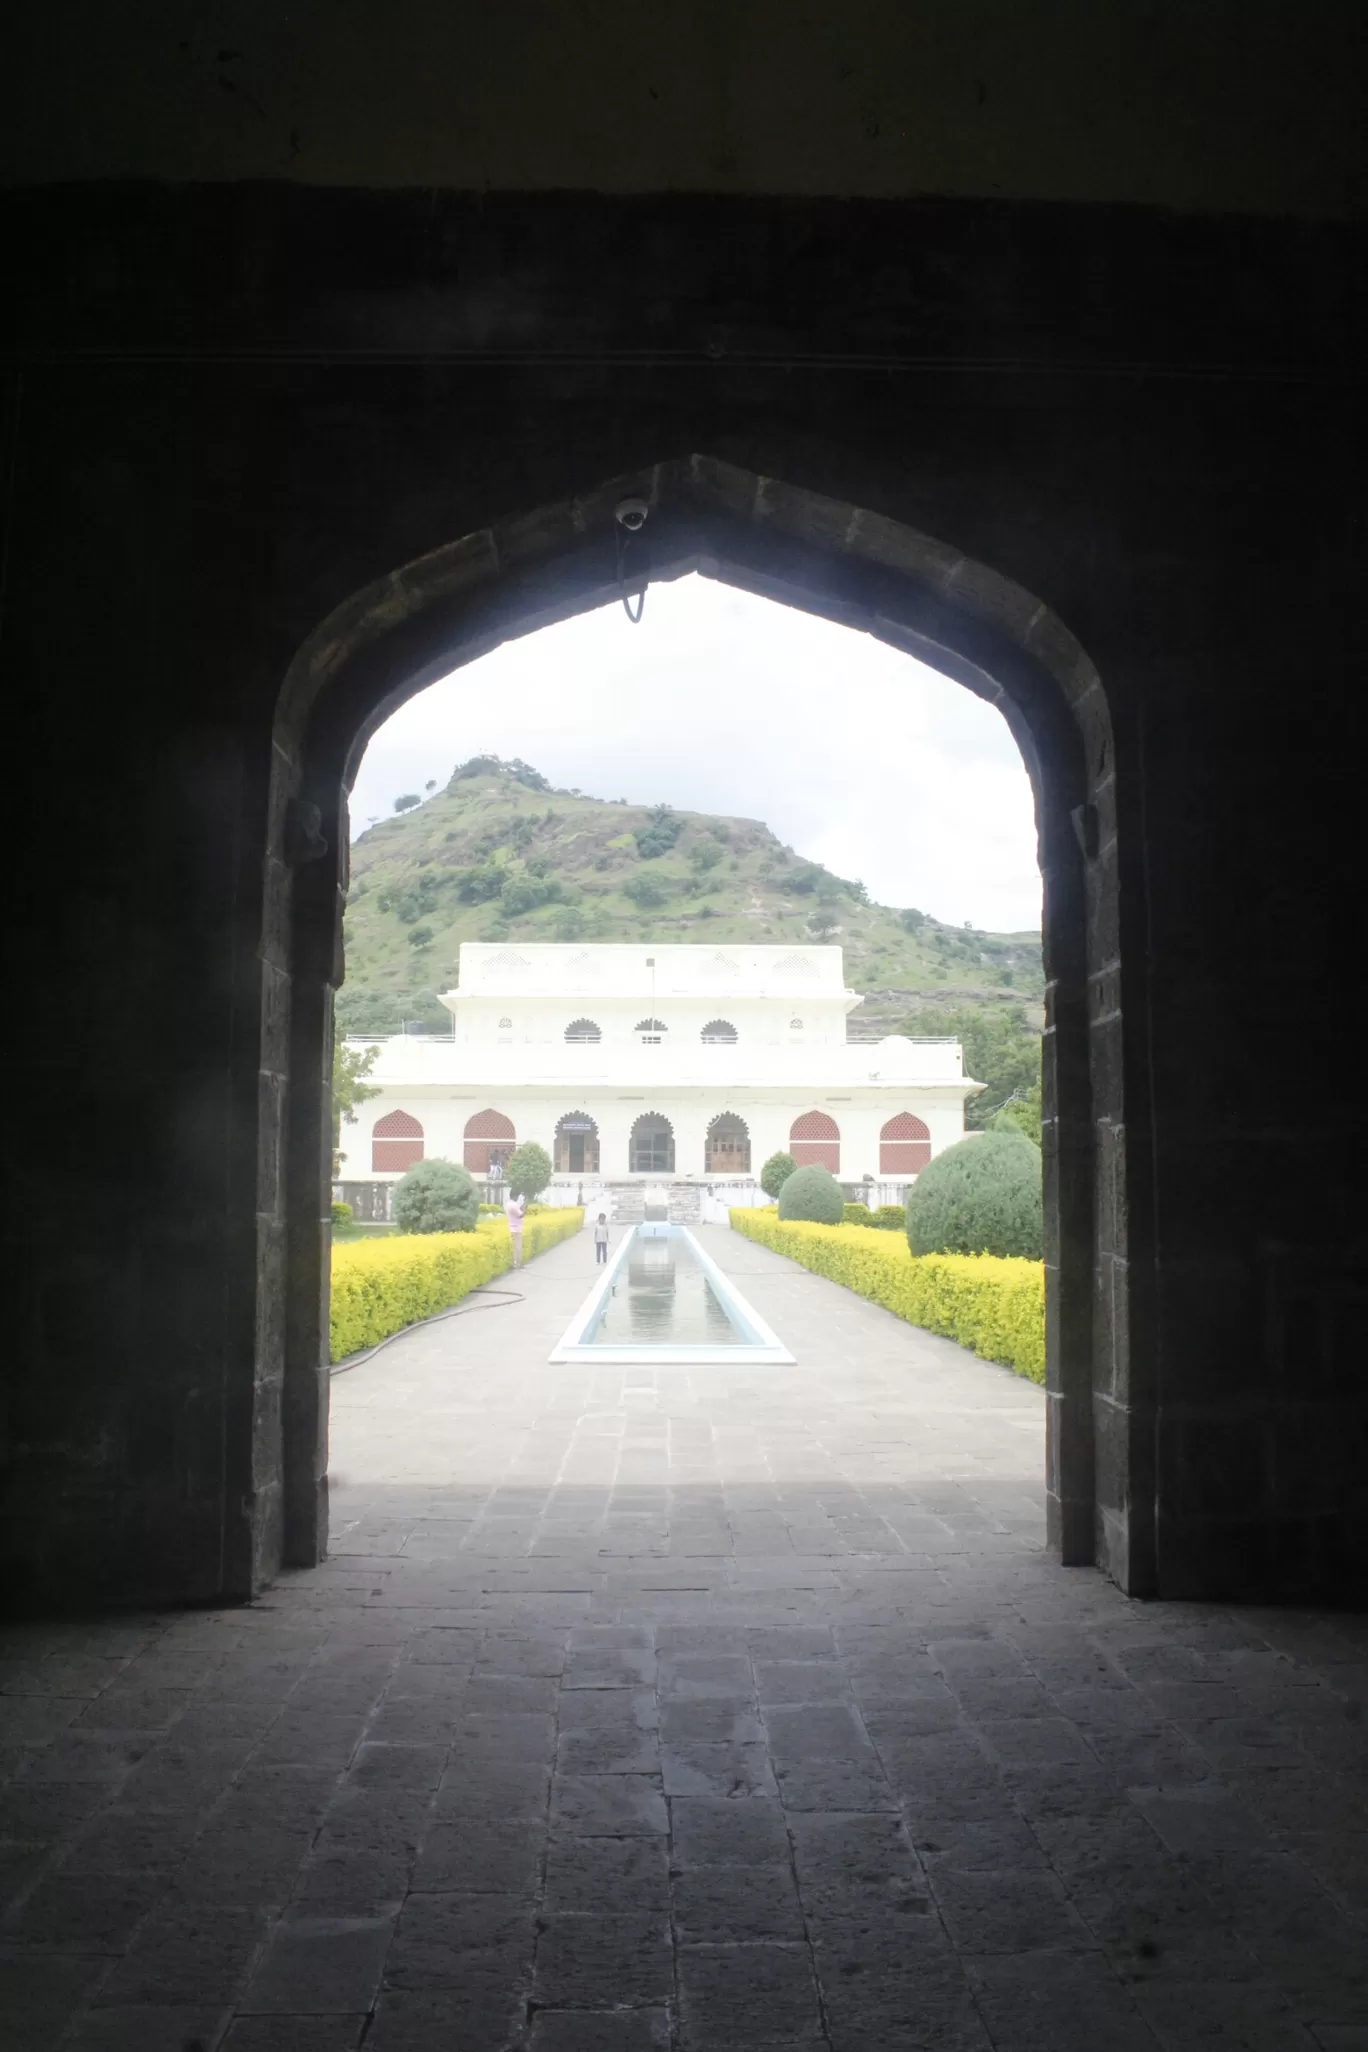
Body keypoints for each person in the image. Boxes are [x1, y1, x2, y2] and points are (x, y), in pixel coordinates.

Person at [504, 1190, 525, 1268]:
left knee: (515, 1247)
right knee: (517, 1247)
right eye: (517, 1196)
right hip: (516, 1229)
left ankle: (516, 1263)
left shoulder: (509, 1204)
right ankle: (517, 1264)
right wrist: (524, 1209)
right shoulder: (513, 1205)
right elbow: (520, 1215)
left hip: (513, 1228)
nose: (518, 1198)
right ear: (514, 1196)